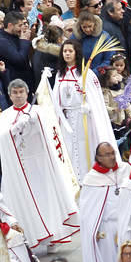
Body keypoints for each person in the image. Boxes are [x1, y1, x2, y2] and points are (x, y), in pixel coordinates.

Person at [0, 78, 79, 248]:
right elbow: (4, 139)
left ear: (27, 94)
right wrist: (16, 128)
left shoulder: (38, 111)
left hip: (41, 162)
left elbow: (51, 132)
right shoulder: (5, 115)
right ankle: (32, 234)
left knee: (46, 199)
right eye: (15, 92)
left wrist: (36, 124)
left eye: (21, 92)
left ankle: (54, 235)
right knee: (27, 201)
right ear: (10, 95)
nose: (19, 95)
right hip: (21, 165)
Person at [51, 38, 116, 181]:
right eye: (65, 51)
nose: (67, 54)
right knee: (68, 147)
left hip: (82, 118)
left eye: (70, 51)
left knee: (82, 147)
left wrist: (89, 107)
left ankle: (86, 176)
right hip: (66, 118)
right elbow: (56, 97)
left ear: (76, 53)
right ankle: (72, 178)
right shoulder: (60, 74)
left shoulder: (86, 74)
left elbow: (95, 99)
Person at [79, 141, 128, 262]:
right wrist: (94, 231)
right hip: (106, 231)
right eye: (107, 154)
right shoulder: (91, 179)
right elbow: (87, 213)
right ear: (98, 158)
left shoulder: (125, 170)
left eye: (113, 153)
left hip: (126, 226)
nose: (112, 157)